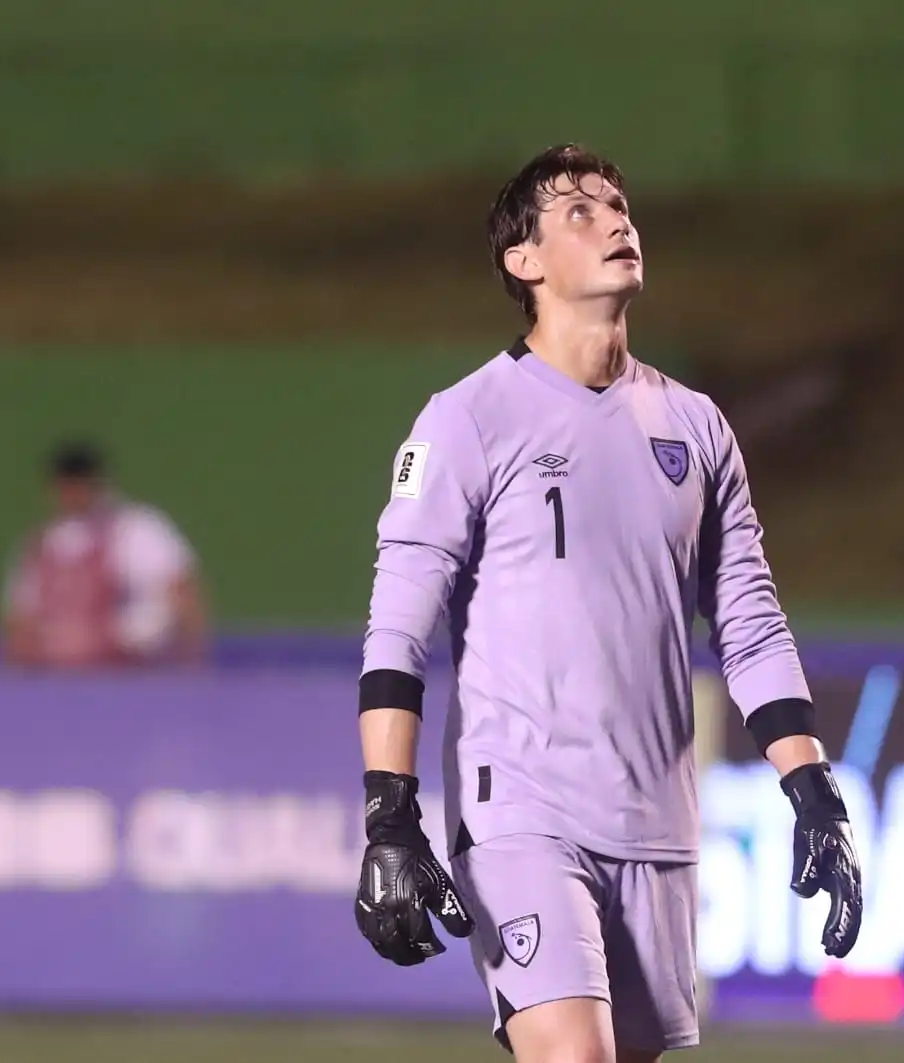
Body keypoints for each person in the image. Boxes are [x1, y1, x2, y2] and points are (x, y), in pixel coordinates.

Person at [353, 145, 863, 1063]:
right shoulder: (468, 418)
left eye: (619, 204)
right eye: (580, 211)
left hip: (657, 819)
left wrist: (814, 789)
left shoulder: (696, 426)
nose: (616, 220)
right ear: (524, 260)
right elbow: (399, 626)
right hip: (520, 808)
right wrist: (389, 812)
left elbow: (750, 622)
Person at [0, 441, 208, 669]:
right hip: (57, 673)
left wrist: (189, 666)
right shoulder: (42, 545)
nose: (73, 494)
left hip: (130, 671)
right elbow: (20, 621)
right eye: (67, 486)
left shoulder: (138, 530)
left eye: (80, 485)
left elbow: (182, 594)